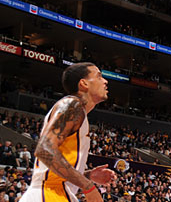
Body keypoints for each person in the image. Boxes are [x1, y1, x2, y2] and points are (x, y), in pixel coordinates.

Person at [20, 62, 116, 202]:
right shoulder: (72, 104)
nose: (105, 81)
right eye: (99, 76)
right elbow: (44, 149)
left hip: (58, 193)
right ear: (84, 84)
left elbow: (53, 169)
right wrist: (87, 186)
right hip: (48, 193)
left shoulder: (78, 112)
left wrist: (87, 176)